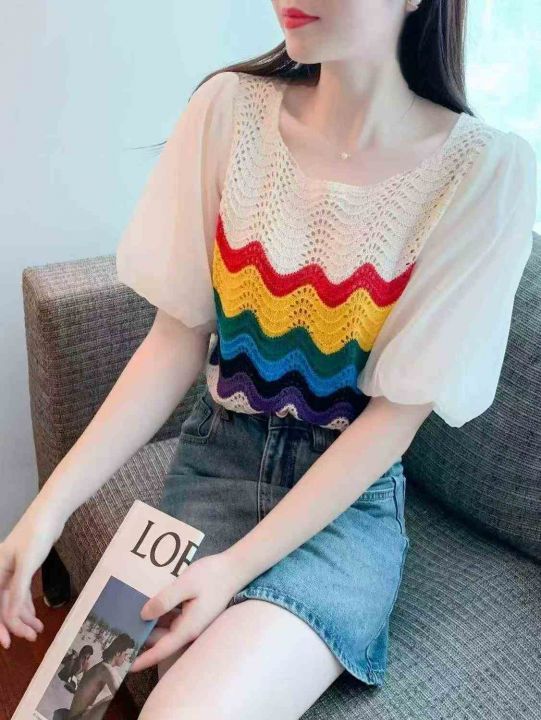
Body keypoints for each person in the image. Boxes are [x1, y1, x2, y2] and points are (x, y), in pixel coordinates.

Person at [0, 1, 537, 718]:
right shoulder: (227, 110)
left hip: (342, 511)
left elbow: (392, 422)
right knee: (69, 698)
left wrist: (231, 570)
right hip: (212, 463)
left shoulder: (484, 171)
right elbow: (173, 340)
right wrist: (49, 508)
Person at [52, 634, 133, 719]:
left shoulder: (104, 667)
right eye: (126, 654)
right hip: (77, 718)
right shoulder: (105, 669)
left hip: (78, 715)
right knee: (116, 699)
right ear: (118, 652)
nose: (126, 659)